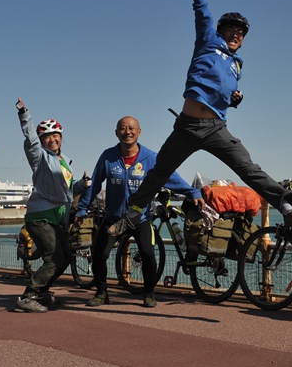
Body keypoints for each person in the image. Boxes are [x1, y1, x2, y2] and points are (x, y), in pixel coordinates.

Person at [109, 0, 292, 238]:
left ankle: (286, 206)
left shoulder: (237, 63)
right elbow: (201, 8)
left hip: (216, 128)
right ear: (220, 31)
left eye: (241, 33)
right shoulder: (208, 41)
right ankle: (131, 215)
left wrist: (234, 99)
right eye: (231, 29)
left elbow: (222, 92)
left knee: (248, 168)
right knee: (159, 172)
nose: (236, 35)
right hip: (186, 126)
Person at [75, 116, 201, 308]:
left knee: (148, 254)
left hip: (140, 218)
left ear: (139, 132)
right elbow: (94, 186)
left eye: (132, 128)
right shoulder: (107, 157)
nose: (128, 132)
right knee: (100, 255)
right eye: (123, 128)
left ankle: (149, 293)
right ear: (117, 133)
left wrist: (192, 192)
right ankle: (101, 293)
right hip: (113, 218)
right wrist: (81, 209)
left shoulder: (151, 158)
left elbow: (170, 178)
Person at [14, 97, 89, 313]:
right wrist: (24, 113)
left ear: (61, 137)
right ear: (42, 140)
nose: (52, 139)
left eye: (55, 135)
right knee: (54, 258)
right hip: (40, 216)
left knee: (65, 258)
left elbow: (65, 192)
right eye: (47, 136)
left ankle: (43, 291)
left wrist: (81, 186)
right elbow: (30, 139)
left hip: (56, 216)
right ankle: (28, 297)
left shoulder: (63, 160)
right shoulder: (39, 157)